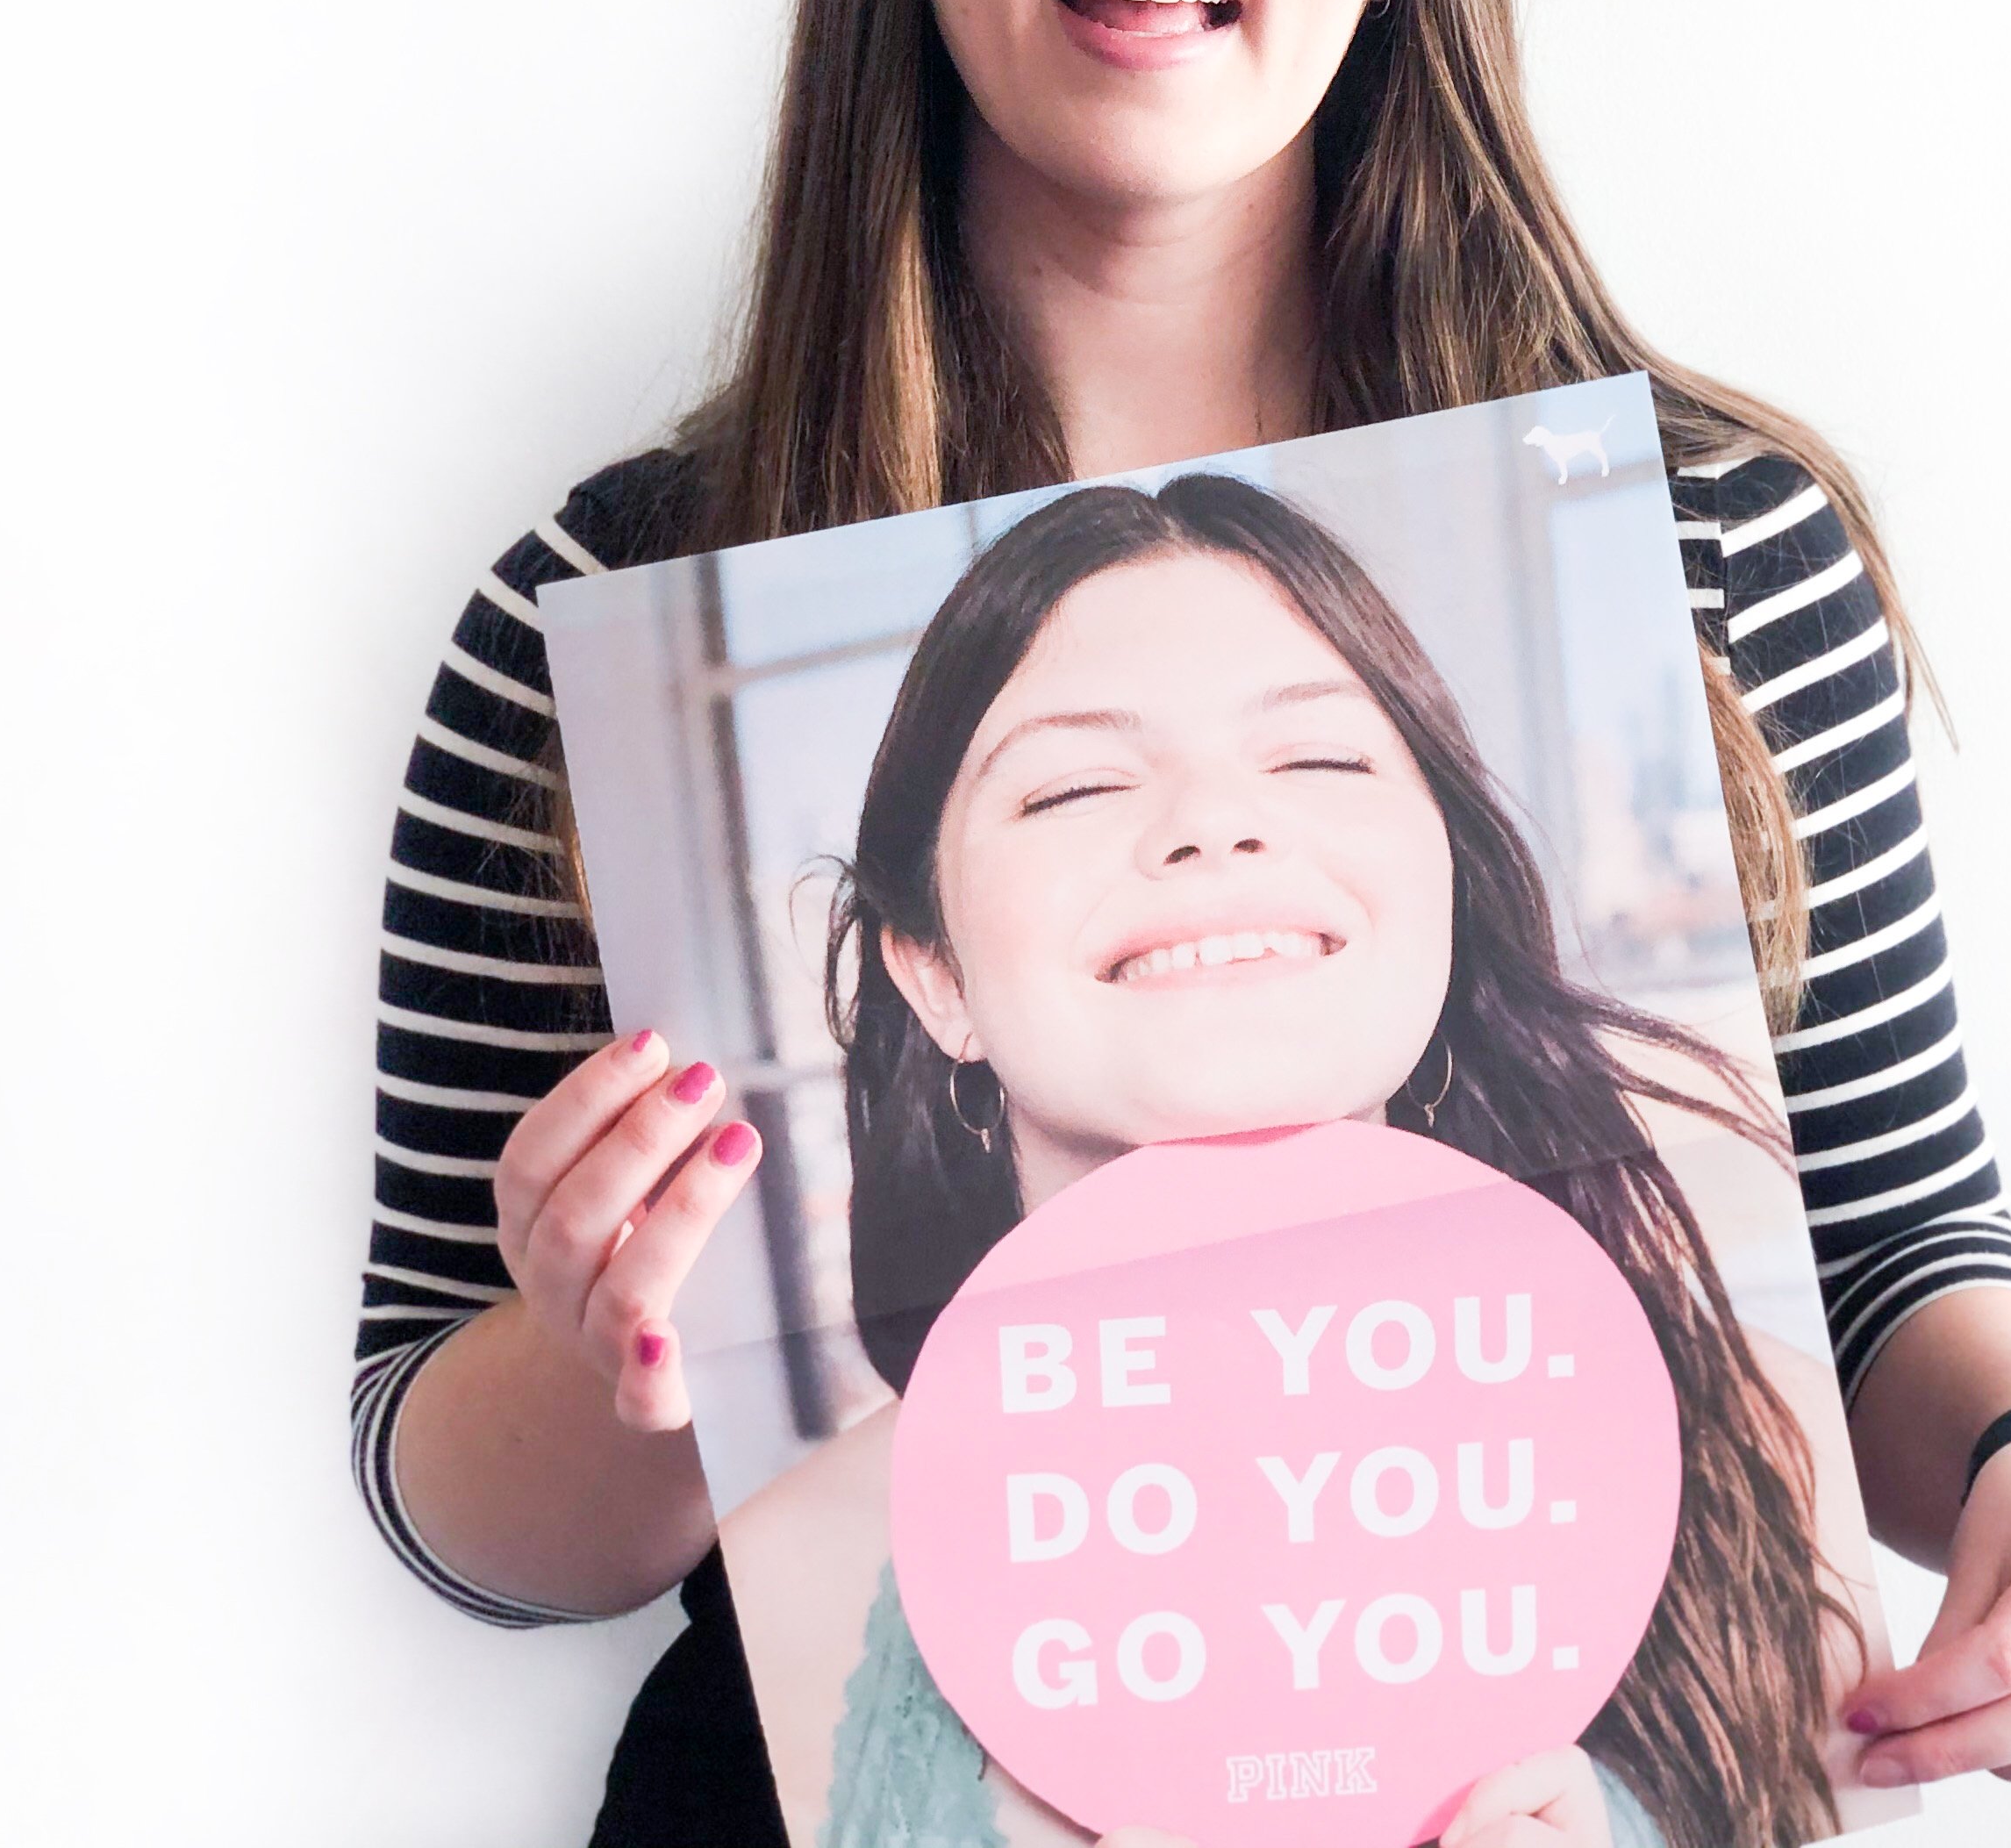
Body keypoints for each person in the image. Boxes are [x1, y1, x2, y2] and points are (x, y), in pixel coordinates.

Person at [357, 0, 2011, 1844]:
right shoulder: (598, 607)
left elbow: (1885, 1238)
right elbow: (440, 1479)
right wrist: (628, 1357)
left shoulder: (1710, 554)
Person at [720, 469, 1866, 1848]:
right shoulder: (781, 1590)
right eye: (1075, 784)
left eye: (1319, 759)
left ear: (1445, 890)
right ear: (934, 973)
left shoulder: (1774, 1457)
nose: (1216, 823)